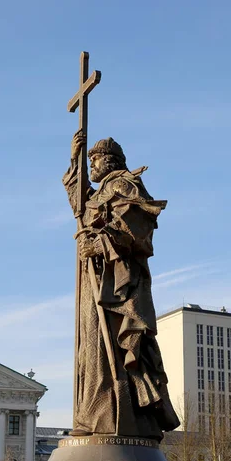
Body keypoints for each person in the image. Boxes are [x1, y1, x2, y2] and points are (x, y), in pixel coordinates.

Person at [63, 131, 180, 440]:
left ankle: (115, 418)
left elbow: (136, 226)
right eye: (88, 161)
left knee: (110, 347)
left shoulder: (123, 185)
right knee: (91, 345)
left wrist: (101, 243)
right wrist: (74, 160)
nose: (91, 166)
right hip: (96, 279)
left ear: (109, 160)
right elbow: (80, 203)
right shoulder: (101, 190)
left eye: (93, 159)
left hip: (118, 286)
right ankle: (95, 415)